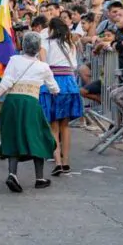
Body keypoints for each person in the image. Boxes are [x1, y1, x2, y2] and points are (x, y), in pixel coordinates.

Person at [0, 32, 58, 193]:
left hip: (11, 102)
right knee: (38, 136)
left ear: (23, 45)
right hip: (31, 103)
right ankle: (39, 178)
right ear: (39, 48)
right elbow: (54, 88)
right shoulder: (43, 66)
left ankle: (12, 174)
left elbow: (6, 82)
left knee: (13, 135)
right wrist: (54, 91)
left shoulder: (14, 60)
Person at [39, 18, 83, 175]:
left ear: (51, 29)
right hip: (69, 83)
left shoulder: (46, 42)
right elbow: (75, 65)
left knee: (53, 125)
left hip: (52, 81)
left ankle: (57, 161)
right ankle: (66, 162)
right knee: (65, 125)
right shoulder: (70, 44)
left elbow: (43, 63)